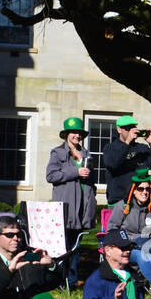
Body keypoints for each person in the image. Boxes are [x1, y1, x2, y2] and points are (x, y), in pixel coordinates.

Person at [45, 117, 98, 287]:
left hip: (83, 206)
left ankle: (72, 281)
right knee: (62, 245)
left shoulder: (87, 154)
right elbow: (51, 176)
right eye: (74, 132)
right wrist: (75, 172)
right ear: (66, 134)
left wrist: (92, 196)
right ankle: (58, 279)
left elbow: (91, 179)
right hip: (65, 207)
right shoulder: (57, 153)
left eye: (80, 133)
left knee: (76, 245)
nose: (77, 135)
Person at [108, 170, 151, 286]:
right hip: (126, 247)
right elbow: (112, 230)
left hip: (148, 245)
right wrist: (127, 242)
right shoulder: (122, 206)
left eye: (147, 189)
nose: (145, 192)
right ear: (133, 191)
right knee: (142, 253)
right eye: (141, 189)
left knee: (145, 251)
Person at [103, 114, 151, 205]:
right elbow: (113, 164)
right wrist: (127, 142)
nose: (132, 131)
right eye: (128, 128)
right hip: (119, 202)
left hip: (140, 201)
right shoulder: (110, 148)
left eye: (134, 127)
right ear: (119, 129)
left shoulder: (141, 148)